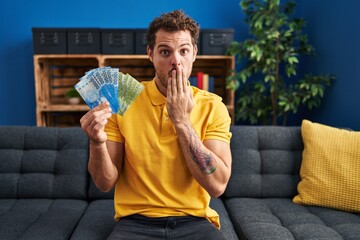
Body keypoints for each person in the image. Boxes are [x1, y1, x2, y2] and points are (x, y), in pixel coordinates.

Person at [80, 9, 232, 240]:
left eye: (183, 51)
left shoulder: (214, 107)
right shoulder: (122, 100)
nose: (176, 61)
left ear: (194, 54)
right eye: (165, 52)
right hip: (134, 222)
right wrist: (96, 142)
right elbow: (104, 183)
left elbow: (218, 186)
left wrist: (182, 121)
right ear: (150, 54)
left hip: (195, 221)